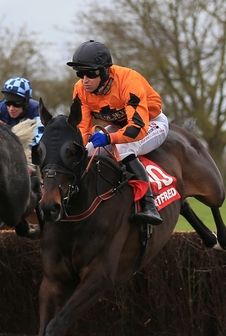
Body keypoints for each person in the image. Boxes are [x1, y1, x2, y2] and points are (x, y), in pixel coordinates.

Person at [67, 40, 166, 225]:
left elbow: (137, 128)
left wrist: (109, 138)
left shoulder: (130, 82)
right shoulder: (80, 90)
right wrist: (81, 145)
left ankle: (149, 205)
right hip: (120, 125)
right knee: (86, 152)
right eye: (80, 74)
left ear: (105, 71)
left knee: (124, 147)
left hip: (150, 123)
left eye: (90, 73)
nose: (84, 80)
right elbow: (83, 128)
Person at [0, 77, 44, 161]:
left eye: (16, 103)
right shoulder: (1, 106)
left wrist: (10, 131)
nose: (11, 108)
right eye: (8, 103)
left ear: (26, 102)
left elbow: (39, 139)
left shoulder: (36, 110)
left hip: (27, 155)